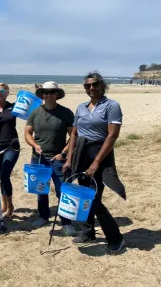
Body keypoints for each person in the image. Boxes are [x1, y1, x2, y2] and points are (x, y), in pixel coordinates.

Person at [63, 72, 126, 254]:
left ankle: (116, 238)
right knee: (84, 194)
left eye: (95, 84)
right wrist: (69, 159)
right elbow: (74, 134)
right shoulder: (81, 107)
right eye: (87, 86)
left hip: (100, 153)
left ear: (102, 85)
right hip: (81, 153)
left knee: (94, 199)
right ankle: (88, 232)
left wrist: (97, 162)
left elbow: (112, 135)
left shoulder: (111, 106)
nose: (91, 88)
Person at [25, 81, 76, 236]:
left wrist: (63, 153)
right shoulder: (35, 112)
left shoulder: (66, 113)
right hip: (39, 158)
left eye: (52, 92)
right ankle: (43, 216)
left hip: (58, 159)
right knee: (41, 190)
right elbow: (27, 133)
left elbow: (73, 136)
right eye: (45, 92)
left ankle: (66, 222)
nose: (48, 95)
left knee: (62, 191)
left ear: (56, 95)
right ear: (42, 95)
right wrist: (34, 145)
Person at [0, 83, 20, 218]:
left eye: (2, 91)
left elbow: (28, 108)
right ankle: (5, 205)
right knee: (1, 176)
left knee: (5, 174)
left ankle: (10, 206)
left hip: (12, 145)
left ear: (7, 93)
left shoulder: (13, 107)